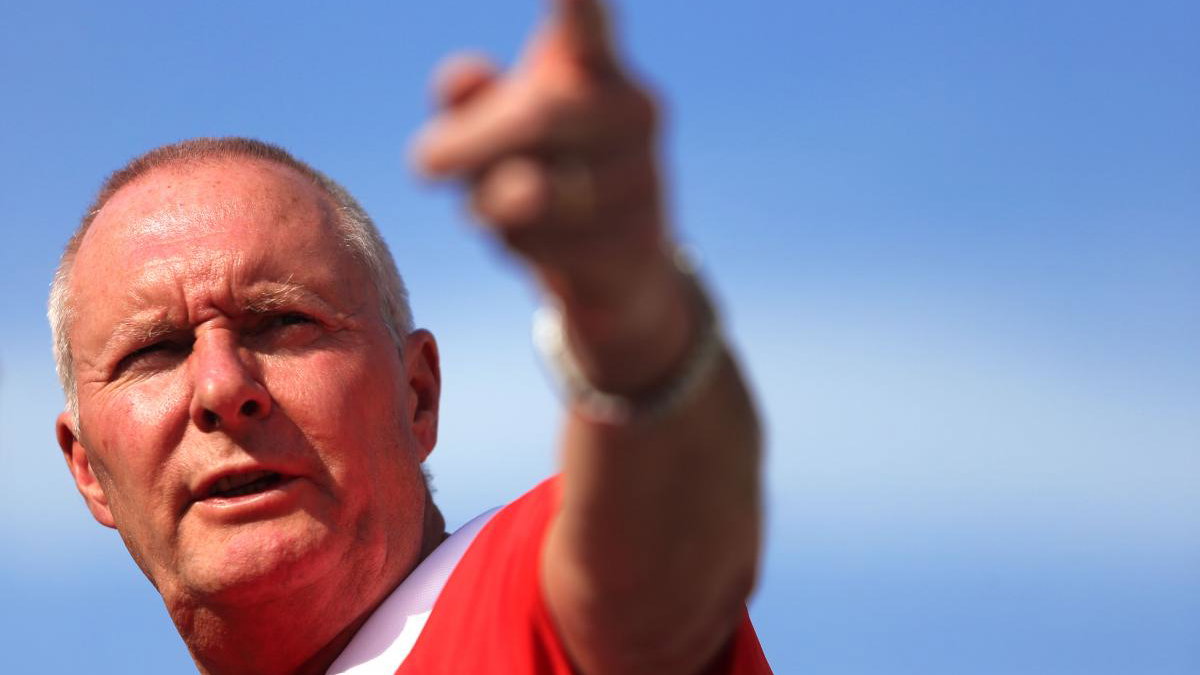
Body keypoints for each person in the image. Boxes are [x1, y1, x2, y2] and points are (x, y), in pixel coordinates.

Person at [49, 0, 768, 672]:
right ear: (88, 470)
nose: (223, 386)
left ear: (417, 393)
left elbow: (666, 556)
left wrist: (633, 320)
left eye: (283, 322)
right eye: (155, 351)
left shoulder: (534, 598)